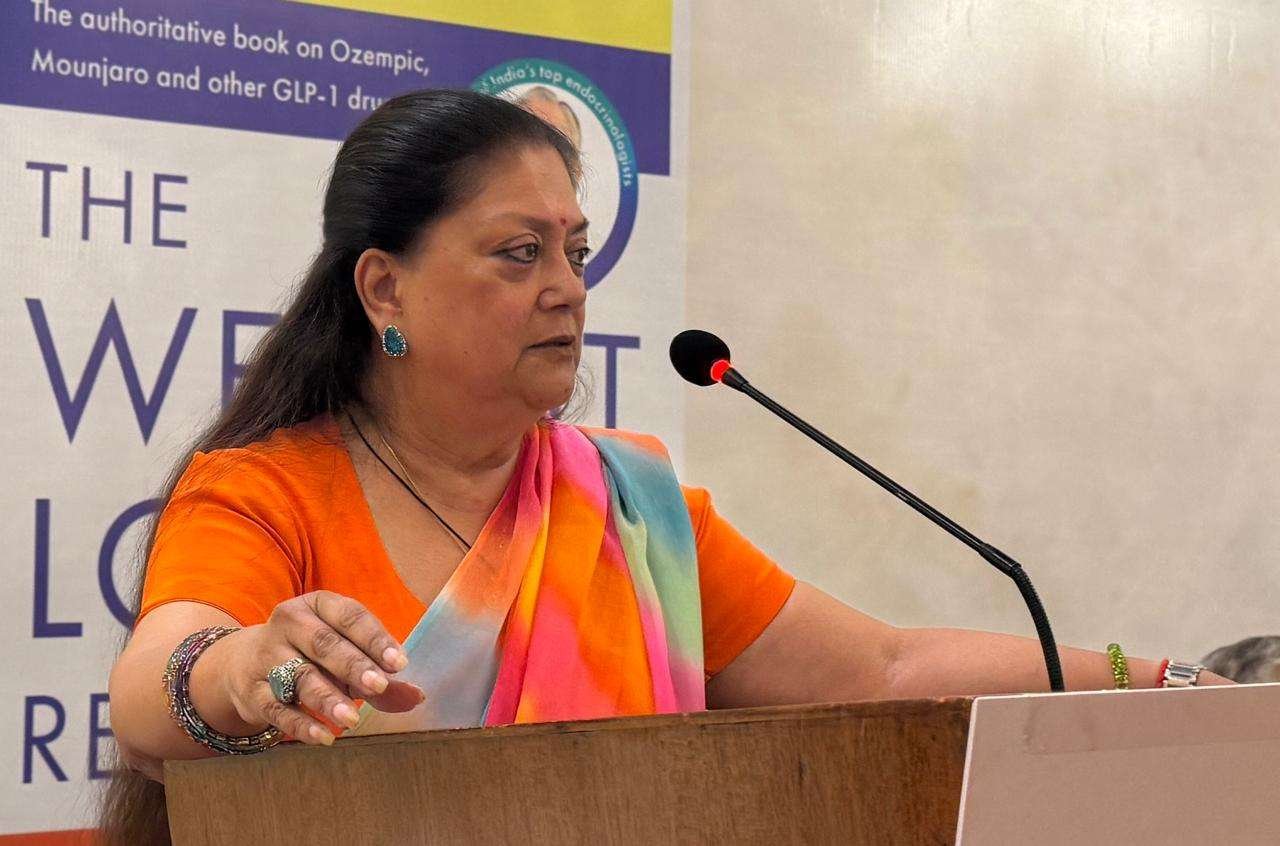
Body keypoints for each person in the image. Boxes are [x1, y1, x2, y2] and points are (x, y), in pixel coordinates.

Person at [101, 89, 1228, 843]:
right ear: (385, 289)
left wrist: (1169, 685)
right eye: (518, 254)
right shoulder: (267, 490)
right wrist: (249, 669)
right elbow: (152, 690)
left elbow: (884, 669)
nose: (567, 287)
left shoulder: (627, 508)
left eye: (575, 250)